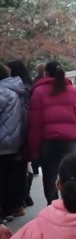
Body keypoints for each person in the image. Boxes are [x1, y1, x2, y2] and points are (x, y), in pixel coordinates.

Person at [28, 62, 76, 205]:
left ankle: (52, 204)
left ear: (46, 73)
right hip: (69, 139)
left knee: (49, 174)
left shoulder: (39, 91)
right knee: (69, 173)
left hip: (48, 140)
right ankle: (70, 203)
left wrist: (33, 146)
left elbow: (35, 122)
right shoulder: (73, 90)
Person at [4, 61, 35, 208]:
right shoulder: (26, 88)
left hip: (12, 136)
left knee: (13, 170)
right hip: (22, 134)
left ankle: (19, 200)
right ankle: (23, 198)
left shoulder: (12, 91)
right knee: (22, 167)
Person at [0, 64, 29, 218]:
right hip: (14, 140)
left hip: (2, 142)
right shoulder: (16, 91)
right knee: (11, 176)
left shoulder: (2, 92)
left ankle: (3, 212)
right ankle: (13, 207)